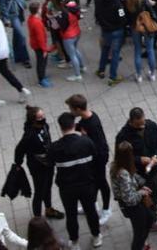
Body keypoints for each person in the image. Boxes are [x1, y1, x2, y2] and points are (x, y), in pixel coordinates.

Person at [49, 112, 102, 249]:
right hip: (87, 185)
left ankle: (75, 242)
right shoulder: (86, 142)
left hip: (67, 189)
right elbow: (96, 161)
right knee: (91, 211)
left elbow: (49, 163)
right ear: (74, 125)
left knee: (71, 215)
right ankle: (96, 237)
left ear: (60, 127)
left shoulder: (55, 147)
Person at [66, 94, 114, 227]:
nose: (70, 112)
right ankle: (92, 206)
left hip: (98, 158)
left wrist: (85, 139)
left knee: (101, 183)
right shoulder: (86, 118)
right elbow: (80, 126)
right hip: (93, 158)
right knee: (93, 183)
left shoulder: (92, 124)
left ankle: (106, 210)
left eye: (71, 109)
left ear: (77, 109)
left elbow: (98, 145)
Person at [14, 106, 64, 220]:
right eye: (40, 117)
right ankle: (37, 219)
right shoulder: (29, 135)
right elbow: (19, 149)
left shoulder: (45, 126)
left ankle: (48, 209)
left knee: (48, 187)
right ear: (33, 120)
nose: (43, 119)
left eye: (43, 116)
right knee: (39, 191)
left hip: (48, 163)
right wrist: (18, 163)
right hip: (37, 166)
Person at [110, 141, 155, 250]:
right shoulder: (122, 173)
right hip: (132, 207)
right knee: (139, 233)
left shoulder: (118, 165)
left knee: (149, 218)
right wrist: (142, 192)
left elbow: (133, 177)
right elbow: (129, 199)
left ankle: (141, 244)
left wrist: (142, 185)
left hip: (135, 201)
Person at [95, 0, 127, 85]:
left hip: (105, 30)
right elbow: (122, 17)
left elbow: (97, 14)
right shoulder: (117, 2)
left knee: (105, 50)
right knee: (115, 53)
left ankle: (101, 70)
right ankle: (113, 76)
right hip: (116, 30)